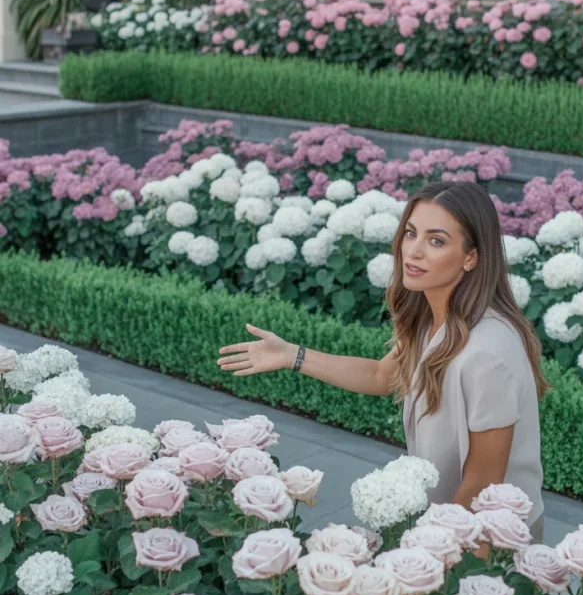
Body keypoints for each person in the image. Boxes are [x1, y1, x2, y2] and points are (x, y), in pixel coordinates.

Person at [217, 179, 551, 546]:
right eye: (411, 233)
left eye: (436, 240)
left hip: (488, 538)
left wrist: (422, 550)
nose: (414, 251)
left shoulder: (487, 354)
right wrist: (292, 355)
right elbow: (382, 375)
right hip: (447, 523)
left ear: (471, 257)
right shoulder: (435, 315)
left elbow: (482, 483)